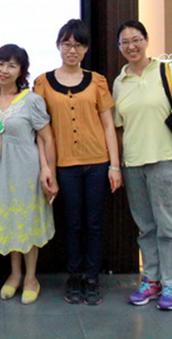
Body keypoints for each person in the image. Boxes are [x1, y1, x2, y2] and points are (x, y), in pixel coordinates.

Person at [33, 19, 122, 306]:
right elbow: (40, 131)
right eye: (67, 44)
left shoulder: (97, 81)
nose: (72, 50)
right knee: (71, 224)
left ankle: (91, 278)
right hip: (64, 165)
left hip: (97, 162)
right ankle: (74, 276)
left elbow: (108, 125)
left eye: (79, 45)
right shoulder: (42, 83)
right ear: (58, 46)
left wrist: (114, 165)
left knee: (94, 223)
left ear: (86, 49)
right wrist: (45, 167)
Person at [112, 20, 172, 311]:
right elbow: (119, 127)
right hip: (133, 163)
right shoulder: (120, 82)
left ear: (146, 40)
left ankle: (171, 283)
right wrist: (119, 164)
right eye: (125, 42)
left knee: (167, 225)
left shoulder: (166, 71)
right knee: (146, 228)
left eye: (136, 39)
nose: (131, 46)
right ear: (119, 47)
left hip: (165, 160)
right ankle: (152, 280)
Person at [0, 44, 57, 305]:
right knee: (10, 222)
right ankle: (14, 274)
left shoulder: (31, 100)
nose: (5, 70)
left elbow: (46, 138)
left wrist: (48, 170)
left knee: (27, 221)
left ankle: (31, 278)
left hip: (27, 171)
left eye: (12, 65)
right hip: (2, 174)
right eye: (1, 64)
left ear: (21, 71)